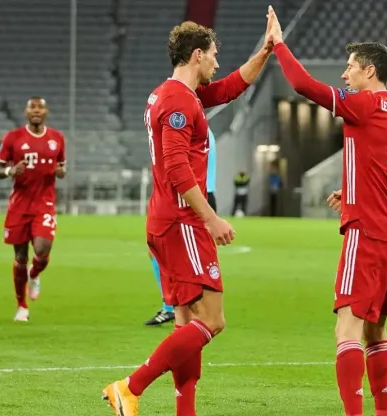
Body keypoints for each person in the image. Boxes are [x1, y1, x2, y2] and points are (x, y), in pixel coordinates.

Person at [102, 19, 272, 416]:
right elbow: (178, 168)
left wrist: (265, 51)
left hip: (163, 219)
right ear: (197, 55)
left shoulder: (170, 94)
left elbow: (230, 87)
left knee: (185, 322)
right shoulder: (179, 102)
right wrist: (211, 217)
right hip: (182, 222)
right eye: (213, 55)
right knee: (211, 321)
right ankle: (130, 386)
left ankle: (185, 411)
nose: (217, 63)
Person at [268, 7, 387, 415]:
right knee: (376, 330)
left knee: (347, 328)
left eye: (350, 67)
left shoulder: (363, 104)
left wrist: (279, 45)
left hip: (368, 231)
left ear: (369, 71)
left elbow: (303, 84)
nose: (344, 75)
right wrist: (358, 187)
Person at [0, 97, 67, 322]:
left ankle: (34, 275)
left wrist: (60, 172)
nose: (36, 111)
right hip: (19, 206)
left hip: (44, 204)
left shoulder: (56, 138)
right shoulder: (13, 137)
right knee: (20, 256)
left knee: (42, 251)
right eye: (32, 107)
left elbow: (61, 166)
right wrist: (9, 171)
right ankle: (21, 306)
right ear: (26, 112)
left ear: (46, 112)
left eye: (40, 107)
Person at [145, 127, 217, 327]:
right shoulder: (196, 127)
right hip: (195, 195)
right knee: (160, 253)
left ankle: (194, 313)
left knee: (186, 262)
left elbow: (179, 165)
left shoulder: (191, 128)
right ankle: (177, 309)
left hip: (196, 197)